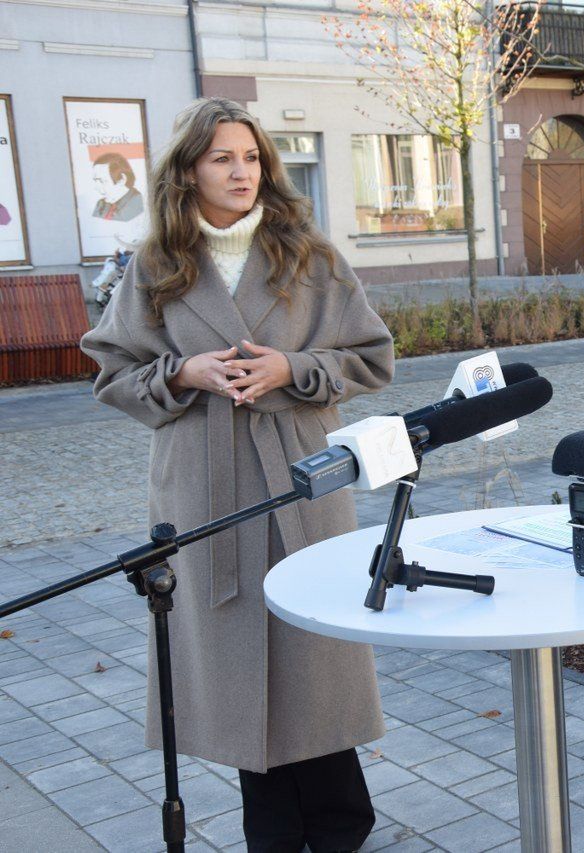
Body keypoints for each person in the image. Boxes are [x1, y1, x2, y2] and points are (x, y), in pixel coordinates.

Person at [81, 97, 394, 852]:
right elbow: (111, 373)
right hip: (205, 483)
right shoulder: (157, 266)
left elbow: (372, 358)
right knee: (240, 656)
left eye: (251, 157)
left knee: (311, 653)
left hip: (300, 476)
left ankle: (342, 821)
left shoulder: (309, 255)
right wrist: (182, 372)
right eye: (222, 157)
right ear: (188, 170)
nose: (241, 171)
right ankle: (276, 830)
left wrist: (292, 367)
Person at [90, 152, 145, 221]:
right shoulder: (101, 204)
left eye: (102, 181)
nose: (96, 188)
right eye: (95, 181)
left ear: (122, 179)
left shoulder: (140, 204)